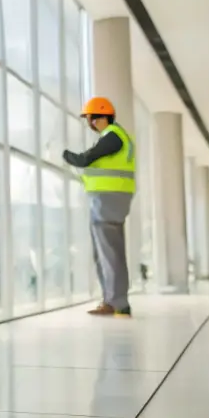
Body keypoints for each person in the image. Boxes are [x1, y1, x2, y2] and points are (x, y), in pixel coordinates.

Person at [64, 97, 136, 317]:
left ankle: (116, 302)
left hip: (108, 200)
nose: (90, 123)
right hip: (109, 200)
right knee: (108, 252)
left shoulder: (113, 136)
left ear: (99, 118)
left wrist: (66, 154)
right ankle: (115, 301)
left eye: (90, 118)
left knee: (109, 253)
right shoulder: (115, 136)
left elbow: (86, 159)